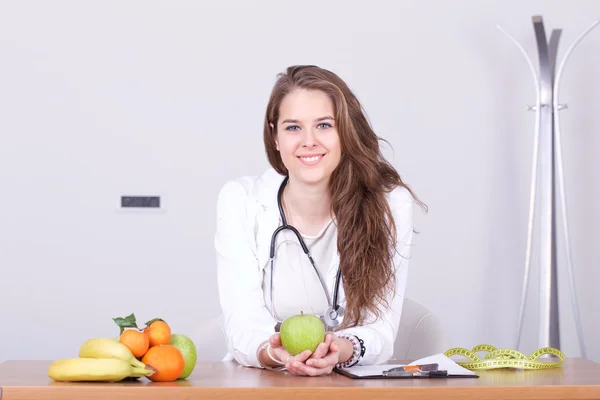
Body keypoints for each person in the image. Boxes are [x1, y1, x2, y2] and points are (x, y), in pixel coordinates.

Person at [214, 65, 426, 377]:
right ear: (274, 136)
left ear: (345, 131)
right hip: (266, 383)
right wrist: (274, 351)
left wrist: (341, 348)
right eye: (293, 128)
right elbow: (243, 326)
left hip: (351, 386)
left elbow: (381, 328)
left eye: (324, 125)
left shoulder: (389, 203)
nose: (309, 141)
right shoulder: (241, 201)